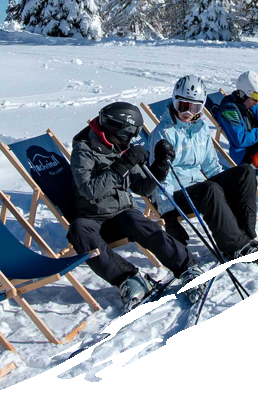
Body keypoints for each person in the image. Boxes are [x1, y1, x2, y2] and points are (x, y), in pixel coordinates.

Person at [67, 101, 203, 312]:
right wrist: (122, 165)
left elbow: (143, 188)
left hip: (122, 211)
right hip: (92, 216)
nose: (130, 140)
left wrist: (160, 166)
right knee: (78, 230)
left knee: (139, 222)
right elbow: (89, 190)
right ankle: (128, 279)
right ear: (115, 129)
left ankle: (187, 267)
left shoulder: (121, 147)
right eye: (129, 134)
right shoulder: (83, 151)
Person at [147, 75, 258, 265]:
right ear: (174, 101)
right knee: (210, 189)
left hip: (200, 189)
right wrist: (169, 216)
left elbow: (211, 165)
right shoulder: (164, 134)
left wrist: (226, 186)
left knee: (245, 173)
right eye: (183, 106)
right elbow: (160, 179)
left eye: (194, 108)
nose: (187, 112)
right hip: (176, 195)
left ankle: (245, 236)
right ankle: (233, 246)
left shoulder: (201, 128)